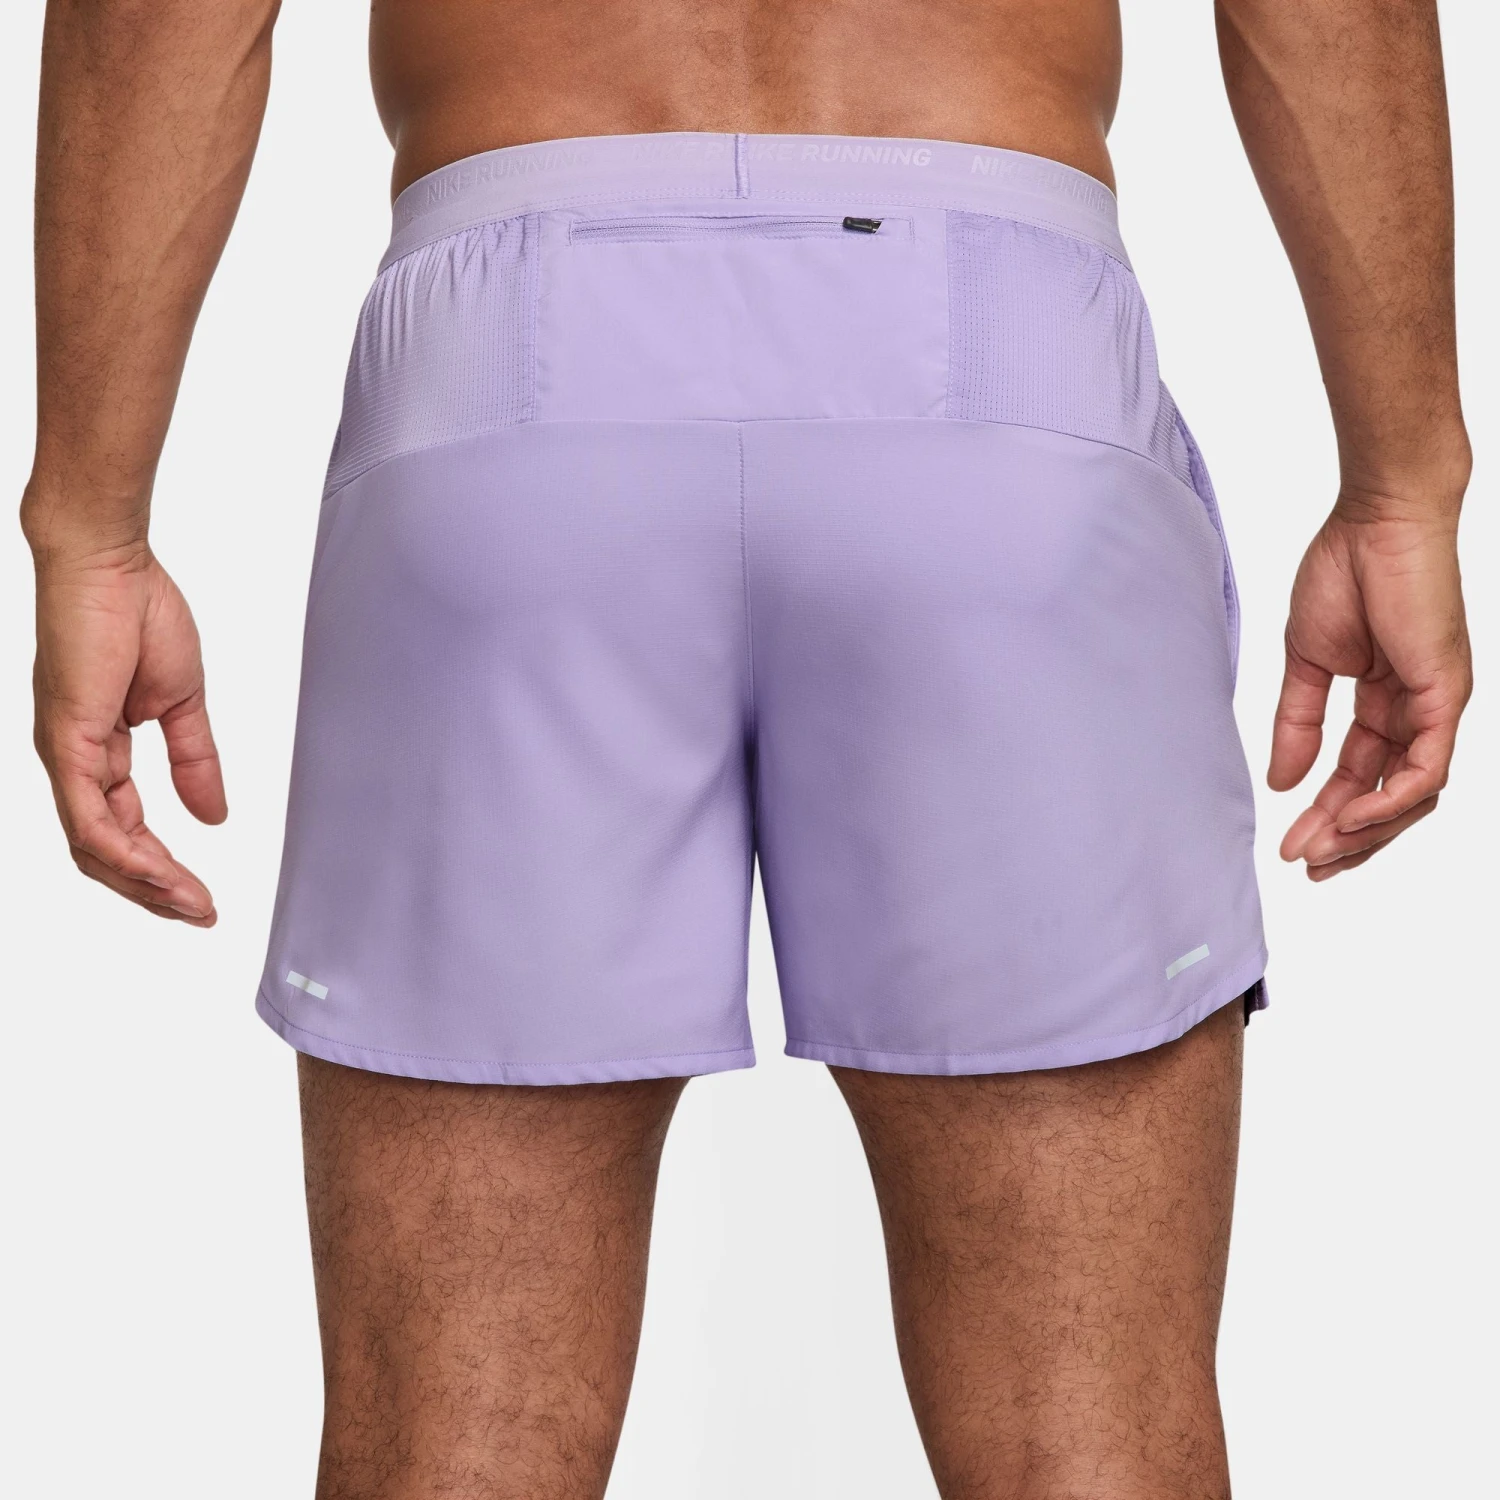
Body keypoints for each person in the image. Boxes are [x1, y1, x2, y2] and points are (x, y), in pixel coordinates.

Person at [21, 0, 1471, 1495]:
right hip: (999, 369)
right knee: (1087, 1438)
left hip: (510, 377)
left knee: (451, 1457)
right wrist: (1402, 486)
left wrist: (89, 523)